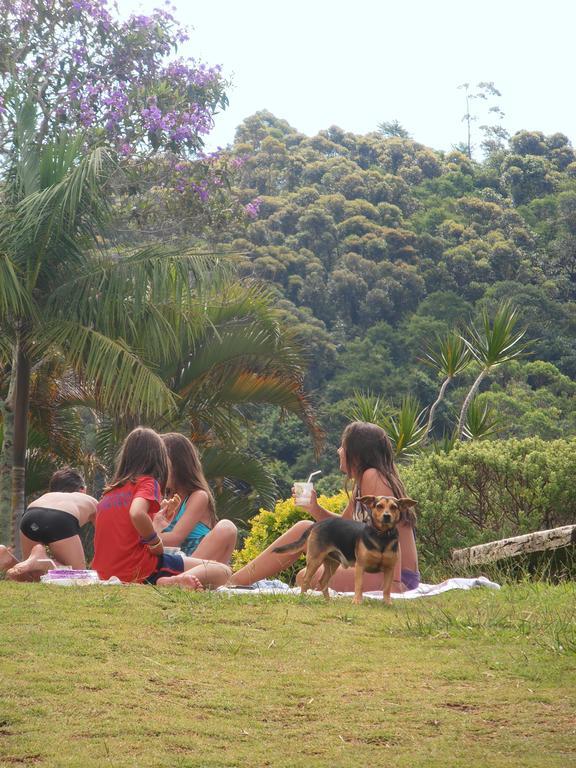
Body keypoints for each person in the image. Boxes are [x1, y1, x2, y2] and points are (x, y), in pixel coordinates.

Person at [229, 421, 419, 594]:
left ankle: (233, 582)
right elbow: (342, 525)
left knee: (305, 577)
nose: (339, 451)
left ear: (356, 453)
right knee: (305, 528)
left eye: (343, 446)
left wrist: (394, 585)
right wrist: (315, 508)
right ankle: (236, 581)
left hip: (395, 573)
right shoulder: (363, 481)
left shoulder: (373, 476)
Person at [91, 427, 231, 590]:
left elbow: (126, 537)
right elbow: (136, 513)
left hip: (105, 573)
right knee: (224, 571)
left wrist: (156, 523)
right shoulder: (148, 483)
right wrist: (155, 543)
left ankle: (176, 579)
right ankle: (172, 581)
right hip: (140, 569)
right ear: (159, 460)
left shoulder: (108, 494)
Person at [1, 467, 98, 582]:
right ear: (82, 489)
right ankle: (44, 561)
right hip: (60, 518)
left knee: (34, 576)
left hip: (30, 516)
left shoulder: (47, 497)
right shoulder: (88, 499)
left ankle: (6, 559)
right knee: (80, 577)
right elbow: (105, 535)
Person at [155, 432, 237, 563]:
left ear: (178, 465)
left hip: (196, 564)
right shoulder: (162, 497)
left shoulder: (198, 496)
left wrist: (144, 536)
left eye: (161, 463)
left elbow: (176, 539)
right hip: (170, 561)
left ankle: (183, 576)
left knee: (227, 528)